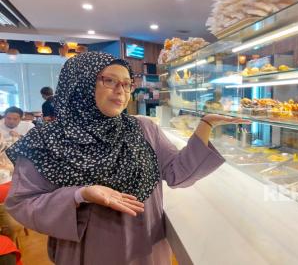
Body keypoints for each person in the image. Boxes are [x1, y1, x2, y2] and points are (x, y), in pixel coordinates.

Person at [4, 52, 249, 265]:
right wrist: (81, 194)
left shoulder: (143, 128)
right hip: (87, 249)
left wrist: (205, 125)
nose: (121, 91)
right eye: (109, 81)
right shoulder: (47, 139)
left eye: (127, 83)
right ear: (81, 83)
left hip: (146, 245)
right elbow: (23, 203)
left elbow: (178, 174)